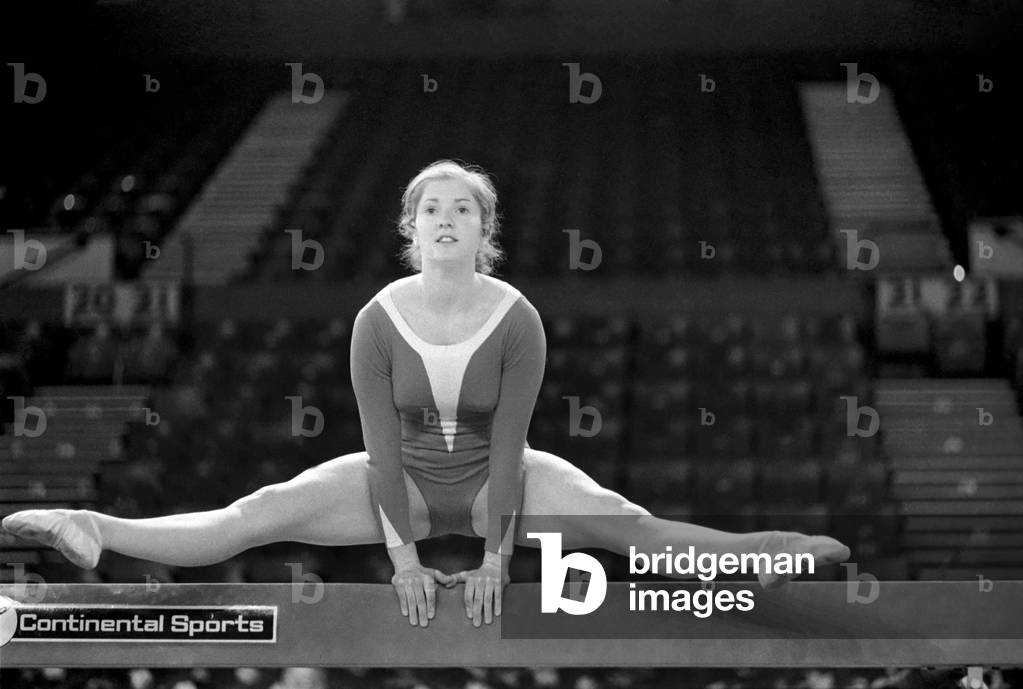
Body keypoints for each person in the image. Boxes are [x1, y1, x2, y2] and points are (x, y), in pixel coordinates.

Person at [2, 160, 850, 629]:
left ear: (484, 230)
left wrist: (494, 563)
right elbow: (378, 452)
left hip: (497, 480)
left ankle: (770, 554)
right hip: (398, 477)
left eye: (463, 210)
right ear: (411, 227)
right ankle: (92, 524)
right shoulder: (376, 319)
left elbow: (510, 451)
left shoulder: (518, 319)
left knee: (628, 523)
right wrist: (404, 562)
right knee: (255, 510)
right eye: (432, 209)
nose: (447, 219)